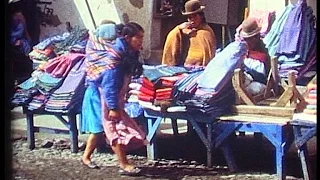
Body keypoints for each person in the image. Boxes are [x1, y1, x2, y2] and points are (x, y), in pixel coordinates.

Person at [80, 21, 147, 175]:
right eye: (139, 38)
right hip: (102, 95)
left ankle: (86, 157)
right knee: (113, 128)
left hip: (108, 94)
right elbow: (109, 85)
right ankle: (123, 164)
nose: (141, 42)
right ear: (128, 37)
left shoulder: (127, 53)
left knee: (99, 129)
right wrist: (114, 108)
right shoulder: (115, 59)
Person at [161, 0, 217, 67]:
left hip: (199, 69)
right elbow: (172, 39)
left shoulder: (206, 32)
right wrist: (179, 29)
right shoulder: (184, 30)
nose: (192, 20)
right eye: (190, 17)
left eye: (195, 16)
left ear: (201, 16)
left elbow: (208, 55)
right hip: (183, 67)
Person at [238, 17, 271, 96]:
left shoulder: (262, 56)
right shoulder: (242, 51)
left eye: (249, 39)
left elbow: (261, 78)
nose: (246, 42)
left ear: (256, 37)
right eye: (245, 39)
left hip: (257, 83)